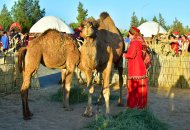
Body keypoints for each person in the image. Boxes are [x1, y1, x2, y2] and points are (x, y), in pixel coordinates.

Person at [124, 27, 148, 109]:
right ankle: (141, 106)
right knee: (141, 89)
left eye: (129, 35)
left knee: (134, 88)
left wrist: (124, 55)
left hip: (135, 69)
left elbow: (131, 55)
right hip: (140, 68)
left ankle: (133, 106)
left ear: (132, 34)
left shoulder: (134, 42)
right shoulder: (140, 41)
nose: (129, 37)